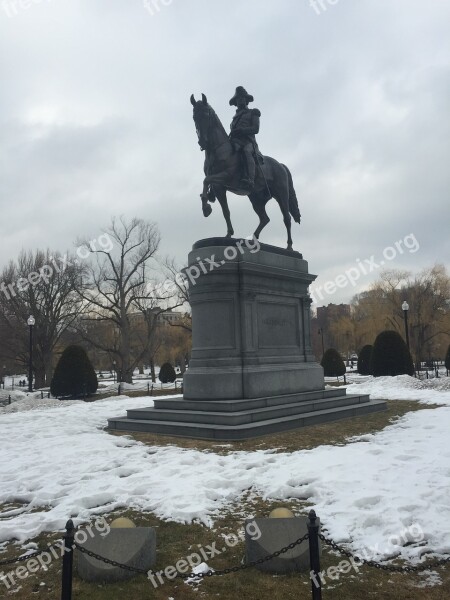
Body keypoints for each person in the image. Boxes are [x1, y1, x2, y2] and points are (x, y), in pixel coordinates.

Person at [229, 86, 261, 188]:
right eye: (238, 99)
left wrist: (242, 131)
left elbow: (256, 129)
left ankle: (250, 179)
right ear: (236, 102)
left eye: (242, 98)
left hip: (249, 143)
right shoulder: (234, 118)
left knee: (246, 151)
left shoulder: (253, 112)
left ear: (246, 100)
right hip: (236, 142)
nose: (240, 100)